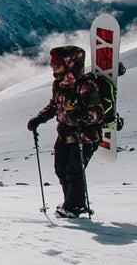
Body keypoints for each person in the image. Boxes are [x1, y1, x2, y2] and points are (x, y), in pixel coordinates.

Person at [27, 45, 104, 218]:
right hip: (65, 134)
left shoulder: (86, 86)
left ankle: (75, 206)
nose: (53, 69)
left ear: (70, 64)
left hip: (85, 136)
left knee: (74, 170)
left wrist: (77, 117)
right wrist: (40, 118)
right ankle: (70, 201)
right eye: (52, 66)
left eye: (57, 66)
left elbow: (97, 114)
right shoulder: (59, 84)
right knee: (60, 168)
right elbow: (55, 105)